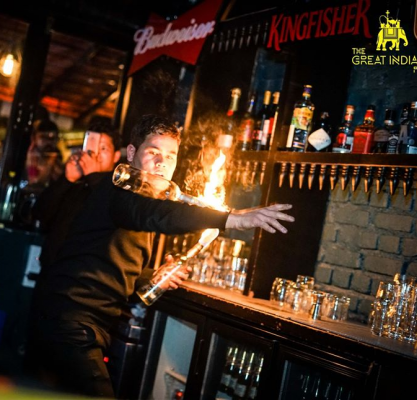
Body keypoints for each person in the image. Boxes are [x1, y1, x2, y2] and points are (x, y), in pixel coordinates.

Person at [24, 114, 294, 398]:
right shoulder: (120, 189)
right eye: (153, 153)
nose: (162, 163)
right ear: (131, 153)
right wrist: (232, 219)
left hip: (73, 323)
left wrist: (150, 278)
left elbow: (109, 261)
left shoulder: (141, 197)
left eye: (170, 156)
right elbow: (156, 216)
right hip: (71, 325)